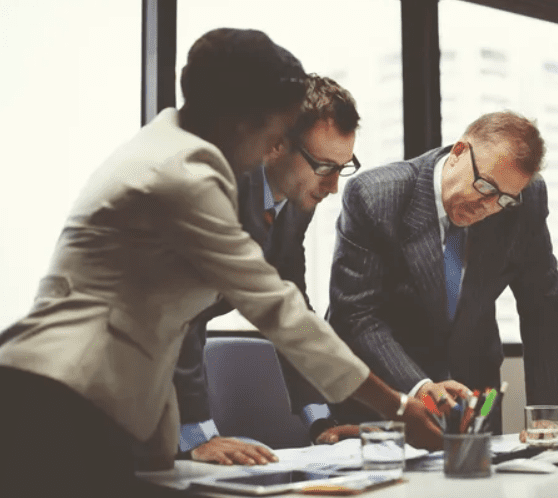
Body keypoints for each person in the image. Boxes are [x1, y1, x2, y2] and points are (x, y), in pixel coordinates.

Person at [0, 28, 439, 498]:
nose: (274, 148)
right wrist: (395, 407)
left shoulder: (177, 148)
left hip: (100, 401)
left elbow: (167, 318)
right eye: (274, 133)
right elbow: (275, 307)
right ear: (241, 122)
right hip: (60, 395)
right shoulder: (185, 174)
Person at [327, 110, 558, 434]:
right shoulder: (376, 196)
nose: (488, 207)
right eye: (485, 186)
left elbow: (544, 309)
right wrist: (420, 386)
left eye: (504, 200)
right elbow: (356, 316)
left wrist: (551, 416)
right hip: (390, 398)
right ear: (459, 153)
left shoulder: (525, 201)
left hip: (474, 400)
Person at [174, 74, 362, 466]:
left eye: (342, 168)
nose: (333, 188)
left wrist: (321, 422)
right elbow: (178, 313)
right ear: (276, 144)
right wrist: (197, 434)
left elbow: (289, 310)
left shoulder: (293, 204)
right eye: (324, 167)